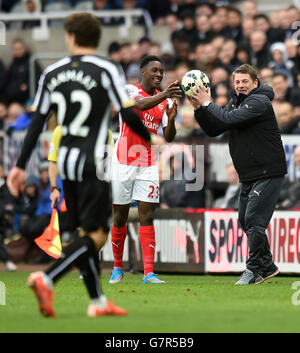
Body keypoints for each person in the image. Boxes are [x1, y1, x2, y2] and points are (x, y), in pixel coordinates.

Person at [7, 12, 152, 318]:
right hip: (92, 163)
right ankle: (47, 278)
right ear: (96, 38)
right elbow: (126, 113)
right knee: (97, 235)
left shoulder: (52, 72)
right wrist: (152, 139)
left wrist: (20, 165)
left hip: (66, 165)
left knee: (83, 234)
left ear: (70, 36)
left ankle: (98, 302)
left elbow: (37, 122)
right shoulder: (106, 68)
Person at [188, 63, 287, 285]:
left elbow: (227, 120)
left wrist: (208, 103)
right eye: (237, 82)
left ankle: (253, 270)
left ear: (255, 83)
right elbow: (215, 129)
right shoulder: (236, 102)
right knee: (245, 220)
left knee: (253, 220)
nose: (240, 85)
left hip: (269, 171)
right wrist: (198, 109)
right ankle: (267, 265)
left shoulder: (259, 101)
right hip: (250, 174)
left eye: (245, 82)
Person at [109, 55, 181, 285]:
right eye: (154, 70)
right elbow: (139, 105)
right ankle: (117, 268)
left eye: (161, 71)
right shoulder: (130, 90)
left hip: (148, 163)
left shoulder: (165, 101)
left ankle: (149, 272)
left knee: (147, 215)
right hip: (122, 161)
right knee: (119, 216)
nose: (159, 74)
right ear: (143, 71)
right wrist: (166, 95)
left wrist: (171, 120)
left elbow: (168, 137)